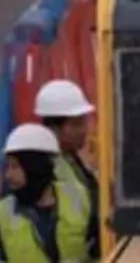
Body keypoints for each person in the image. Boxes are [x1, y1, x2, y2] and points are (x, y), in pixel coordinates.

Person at [0, 124, 93, 262]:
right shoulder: (3, 213)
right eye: (8, 166)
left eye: (15, 167)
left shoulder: (79, 198)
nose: (8, 175)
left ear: (36, 167)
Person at [31, 82, 95, 246]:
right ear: (54, 128)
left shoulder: (71, 160)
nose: (84, 130)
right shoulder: (40, 171)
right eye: (76, 124)